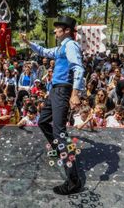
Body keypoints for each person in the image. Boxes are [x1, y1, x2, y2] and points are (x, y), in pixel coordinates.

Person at [21, 15, 85, 195]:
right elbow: (43, 51)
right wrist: (28, 42)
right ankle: (59, 149)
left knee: (59, 132)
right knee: (43, 122)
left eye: (57, 28)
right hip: (55, 91)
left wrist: (75, 94)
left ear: (66, 31)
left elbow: (78, 68)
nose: (54, 30)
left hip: (63, 91)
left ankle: (74, 181)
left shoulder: (71, 45)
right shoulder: (61, 47)